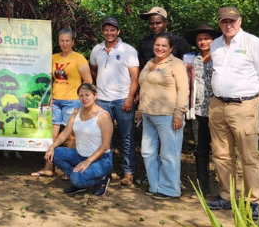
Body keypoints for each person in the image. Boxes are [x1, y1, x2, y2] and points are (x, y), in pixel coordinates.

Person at [206, 7, 259, 221]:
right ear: (219, 23)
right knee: (221, 154)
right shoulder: (216, 44)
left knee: (248, 156)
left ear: (240, 21)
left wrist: (251, 101)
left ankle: (253, 201)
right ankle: (226, 196)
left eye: (232, 21)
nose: (229, 25)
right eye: (224, 21)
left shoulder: (253, 43)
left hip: (244, 106)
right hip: (218, 105)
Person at [33, 28, 92, 178]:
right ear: (58, 42)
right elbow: (49, 80)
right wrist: (50, 96)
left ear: (72, 42)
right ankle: (48, 167)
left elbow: (88, 81)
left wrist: (82, 100)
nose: (64, 44)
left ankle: (69, 170)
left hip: (72, 101)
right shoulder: (53, 58)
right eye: (62, 41)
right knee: (52, 136)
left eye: (67, 40)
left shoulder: (79, 58)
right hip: (55, 101)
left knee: (71, 136)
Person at [88, 18, 140, 186]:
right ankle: (105, 172)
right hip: (102, 101)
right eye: (106, 30)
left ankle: (128, 173)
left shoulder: (128, 50)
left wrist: (130, 97)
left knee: (126, 138)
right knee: (105, 139)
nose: (109, 33)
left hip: (123, 100)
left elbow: (135, 77)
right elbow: (93, 70)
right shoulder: (97, 49)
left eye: (112, 30)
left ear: (118, 31)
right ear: (102, 31)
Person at [137, 33, 189, 199]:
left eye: (164, 46)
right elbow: (144, 87)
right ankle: (155, 185)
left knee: (169, 154)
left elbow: (183, 90)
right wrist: (139, 110)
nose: (160, 48)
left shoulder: (177, 64)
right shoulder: (151, 63)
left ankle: (170, 189)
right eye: (157, 45)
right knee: (147, 152)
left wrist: (179, 113)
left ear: (171, 48)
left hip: (168, 115)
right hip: (148, 114)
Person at [44, 83, 115, 196]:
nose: (84, 98)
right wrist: (51, 147)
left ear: (95, 95)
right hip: (80, 155)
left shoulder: (103, 116)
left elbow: (106, 145)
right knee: (55, 154)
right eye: (81, 95)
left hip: (100, 160)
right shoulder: (77, 111)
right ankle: (78, 178)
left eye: (87, 95)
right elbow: (65, 132)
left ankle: (102, 178)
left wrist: (87, 162)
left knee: (77, 179)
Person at [184, 24, 222, 198]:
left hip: (219, 110)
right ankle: (203, 187)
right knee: (200, 150)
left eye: (206, 38)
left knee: (222, 150)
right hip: (198, 111)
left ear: (213, 40)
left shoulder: (221, 58)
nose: (203, 42)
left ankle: (225, 188)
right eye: (200, 39)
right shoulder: (191, 60)